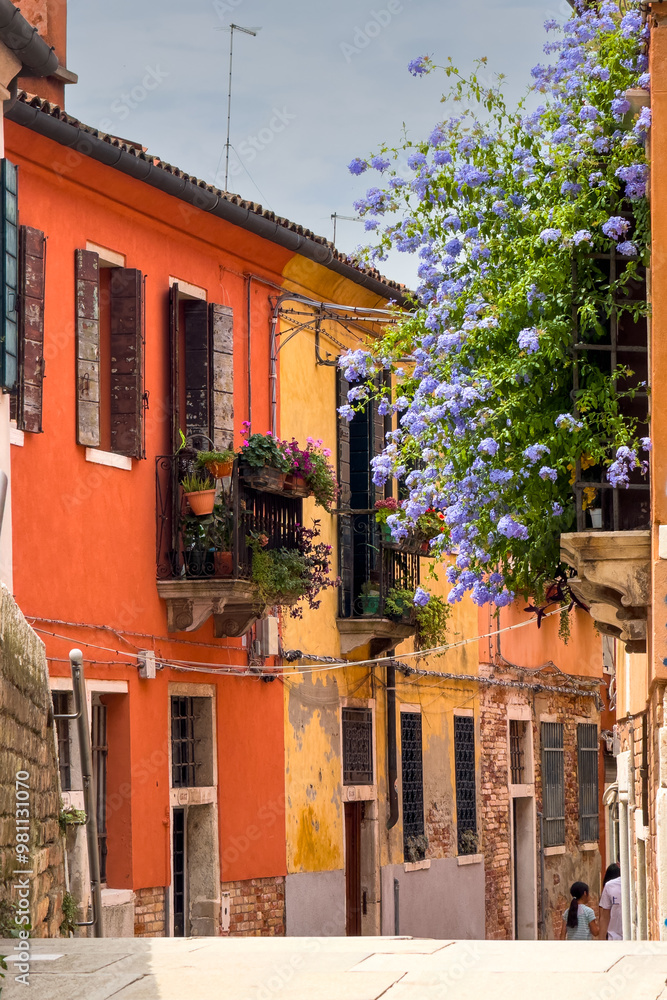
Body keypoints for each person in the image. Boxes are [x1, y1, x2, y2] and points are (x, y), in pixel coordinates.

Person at [599, 863, 622, 940]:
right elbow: (605, 916)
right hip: (615, 938)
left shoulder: (641, 884)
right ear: (619, 864)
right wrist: (601, 940)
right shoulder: (609, 886)